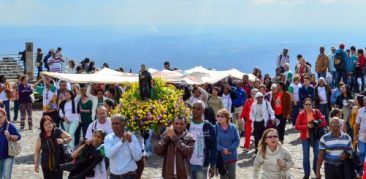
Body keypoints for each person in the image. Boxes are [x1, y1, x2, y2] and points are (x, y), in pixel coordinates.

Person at [295, 98, 327, 179]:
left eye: (310, 104)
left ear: (312, 104)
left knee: (317, 155)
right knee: (306, 156)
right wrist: (306, 126)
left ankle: (316, 170)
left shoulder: (317, 112)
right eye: (306, 104)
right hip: (305, 137)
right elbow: (297, 126)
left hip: (316, 136)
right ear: (303, 105)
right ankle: (306, 174)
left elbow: (324, 122)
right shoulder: (301, 113)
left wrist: (315, 125)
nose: (308, 106)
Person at [188, 100, 217, 179]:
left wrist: (213, 165)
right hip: (186, 163)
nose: (195, 110)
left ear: (203, 111)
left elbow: (213, 147)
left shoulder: (208, 126)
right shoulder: (186, 124)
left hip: (201, 164)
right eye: (193, 108)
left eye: (198, 109)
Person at [216, 108, 240, 179]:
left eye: (222, 116)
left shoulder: (233, 127)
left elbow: (237, 140)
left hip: (232, 156)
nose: (219, 118)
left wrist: (229, 150)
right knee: (223, 176)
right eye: (218, 116)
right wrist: (223, 150)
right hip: (221, 157)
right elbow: (214, 142)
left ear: (227, 117)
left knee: (232, 176)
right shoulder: (215, 128)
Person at [0, 108, 21, 179]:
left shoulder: (9, 126)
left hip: (8, 155)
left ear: (5, 116)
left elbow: (18, 136)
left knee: (6, 176)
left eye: (0, 117)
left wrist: (10, 136)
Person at [354, 96, 366, 174]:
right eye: (365, 101)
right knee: (361, 152)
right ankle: (361, 170)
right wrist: (355, 135)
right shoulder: (360, 111)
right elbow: (357, 124)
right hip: (362, 137)